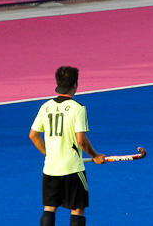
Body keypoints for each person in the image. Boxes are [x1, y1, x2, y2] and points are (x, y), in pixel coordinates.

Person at [29, 66, 106, 226]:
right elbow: (81, 140)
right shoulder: (78, 109)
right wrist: (95, 156)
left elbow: (33, 135)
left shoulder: (46, 107)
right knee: (77, 209)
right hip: (72, 169)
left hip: (50, 168)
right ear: (75, 85)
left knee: (49, 208)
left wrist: (48, 154)